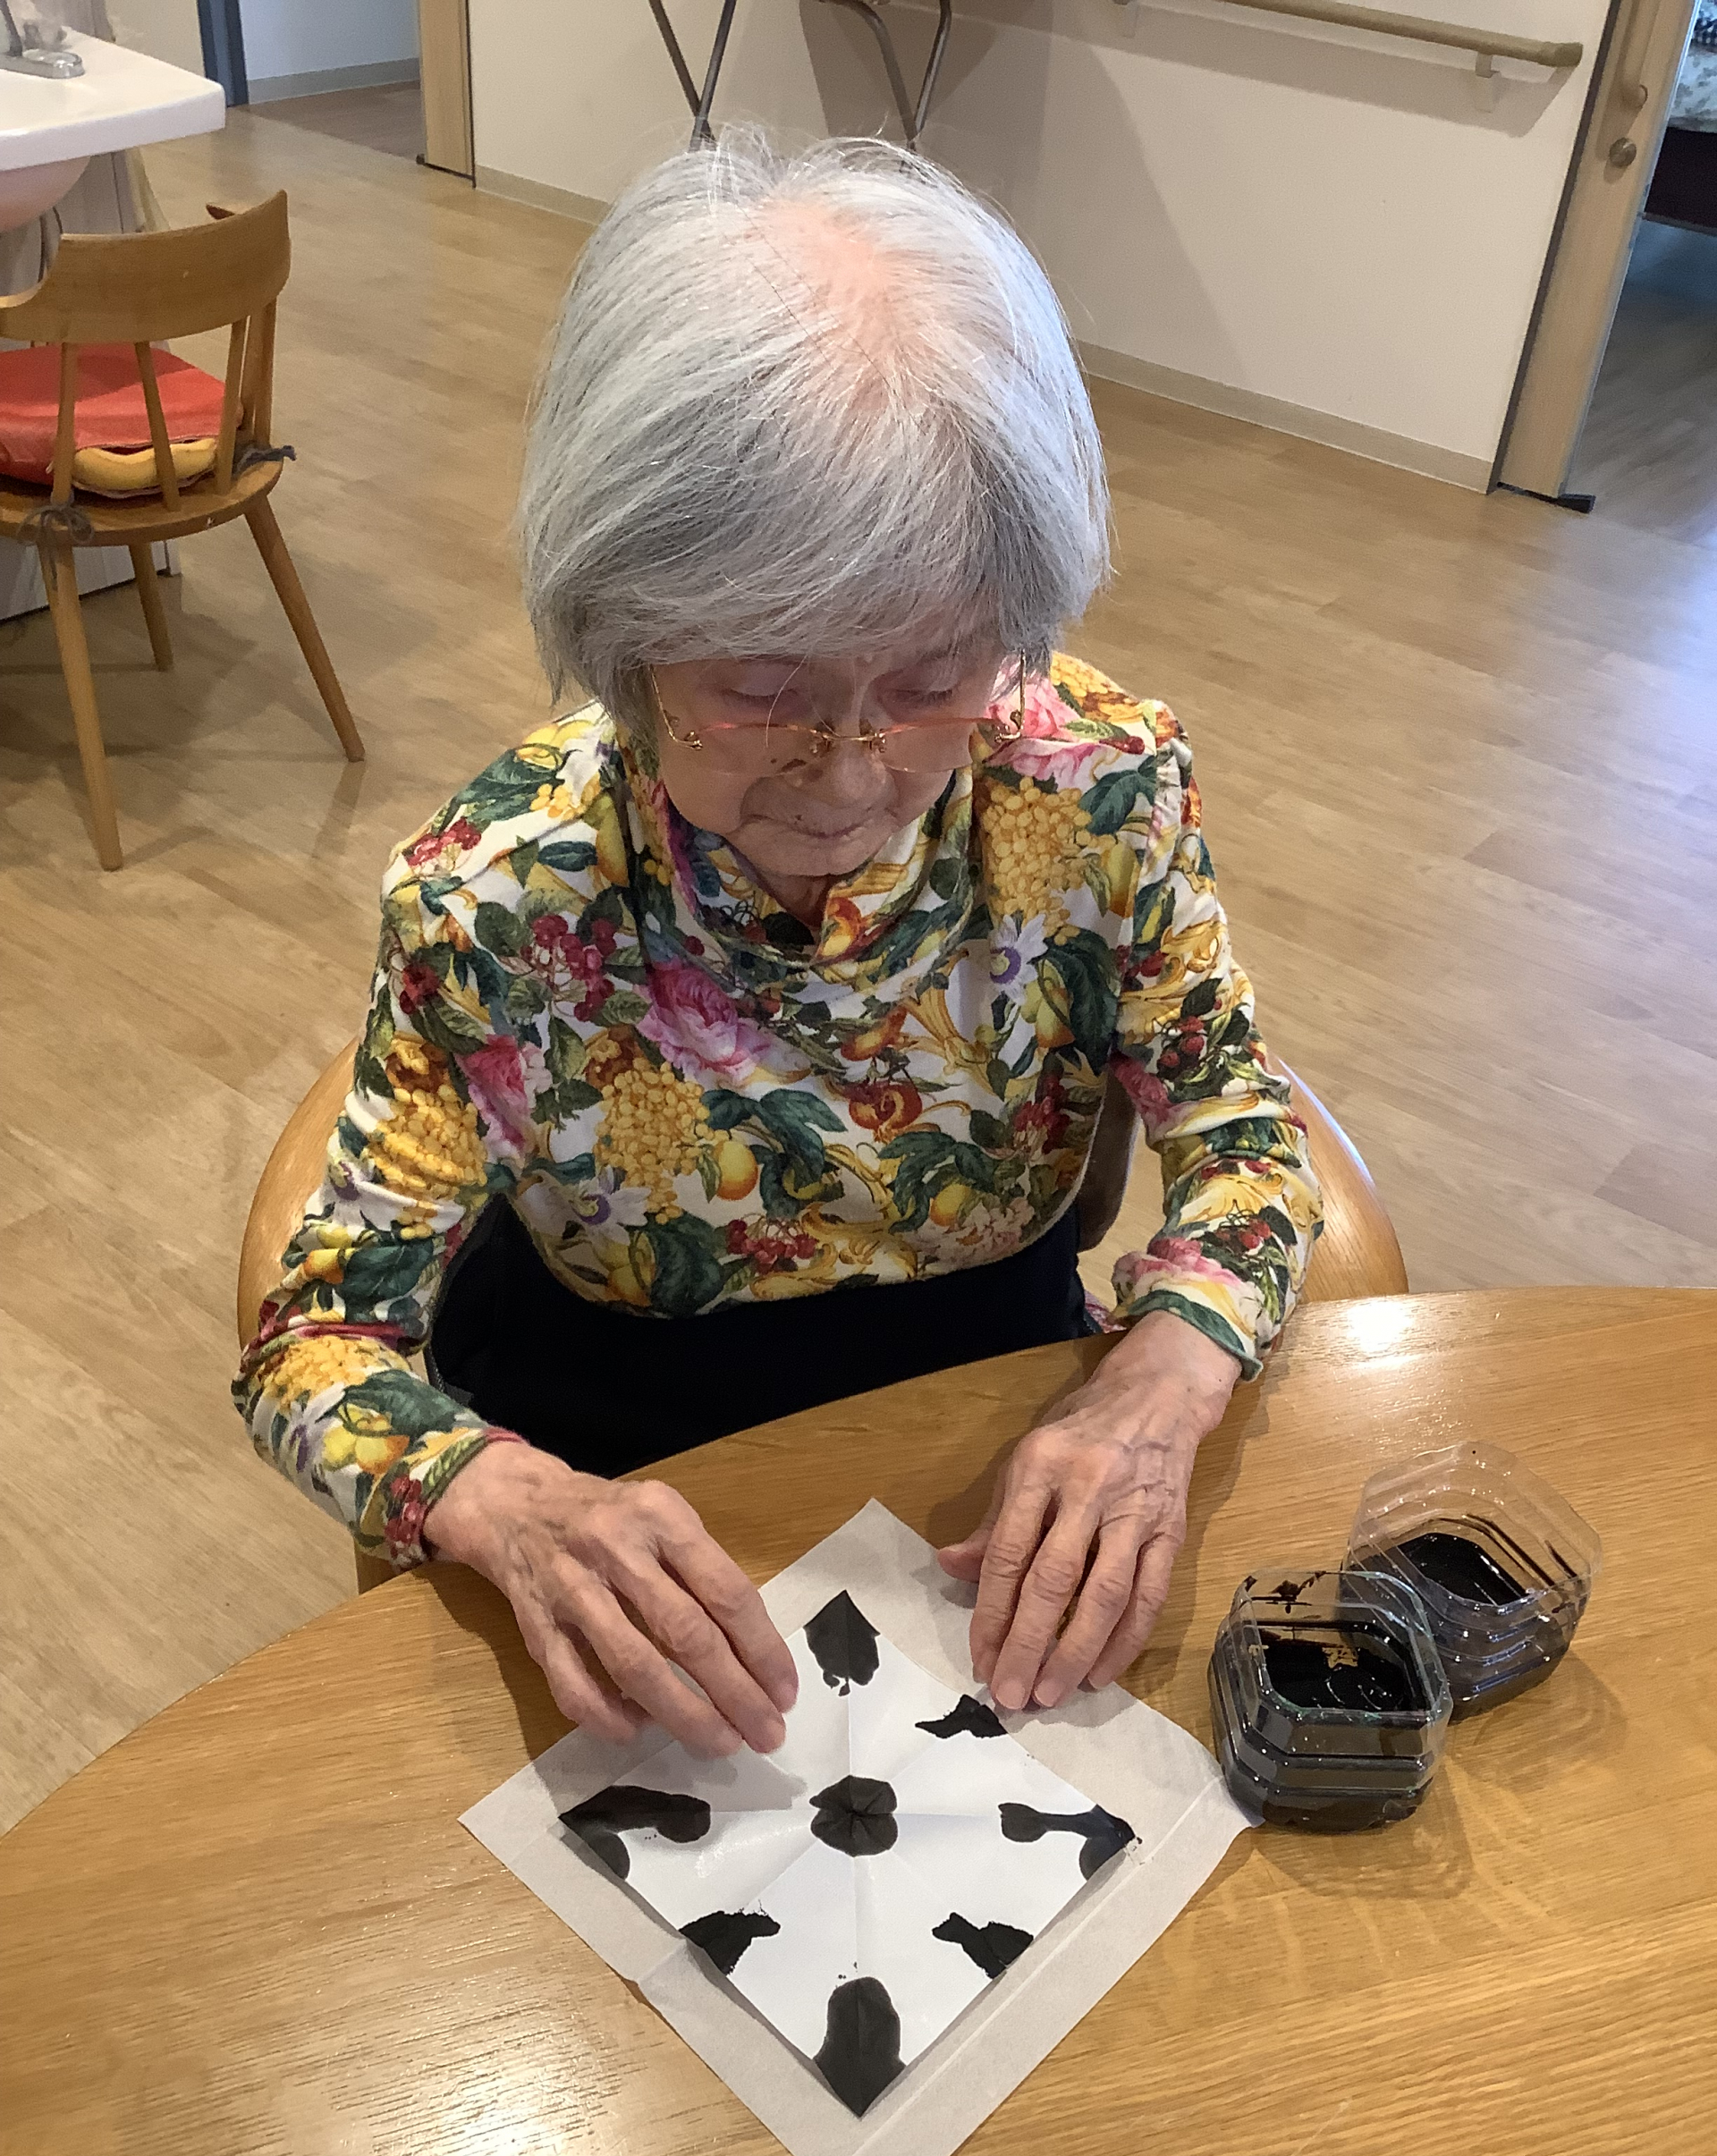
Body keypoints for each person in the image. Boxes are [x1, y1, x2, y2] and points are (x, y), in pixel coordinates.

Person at [234, 133, 1320, 1762]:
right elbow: (315, 1342)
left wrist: (1160, 1379)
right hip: (617, 1447)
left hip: (987, 1423)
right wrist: (506, 1505)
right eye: (760, 686)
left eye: (934, 678)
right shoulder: (501, 899)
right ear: (625, 633)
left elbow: (1244, 1132)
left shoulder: (1095, 792)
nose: (852, 771)